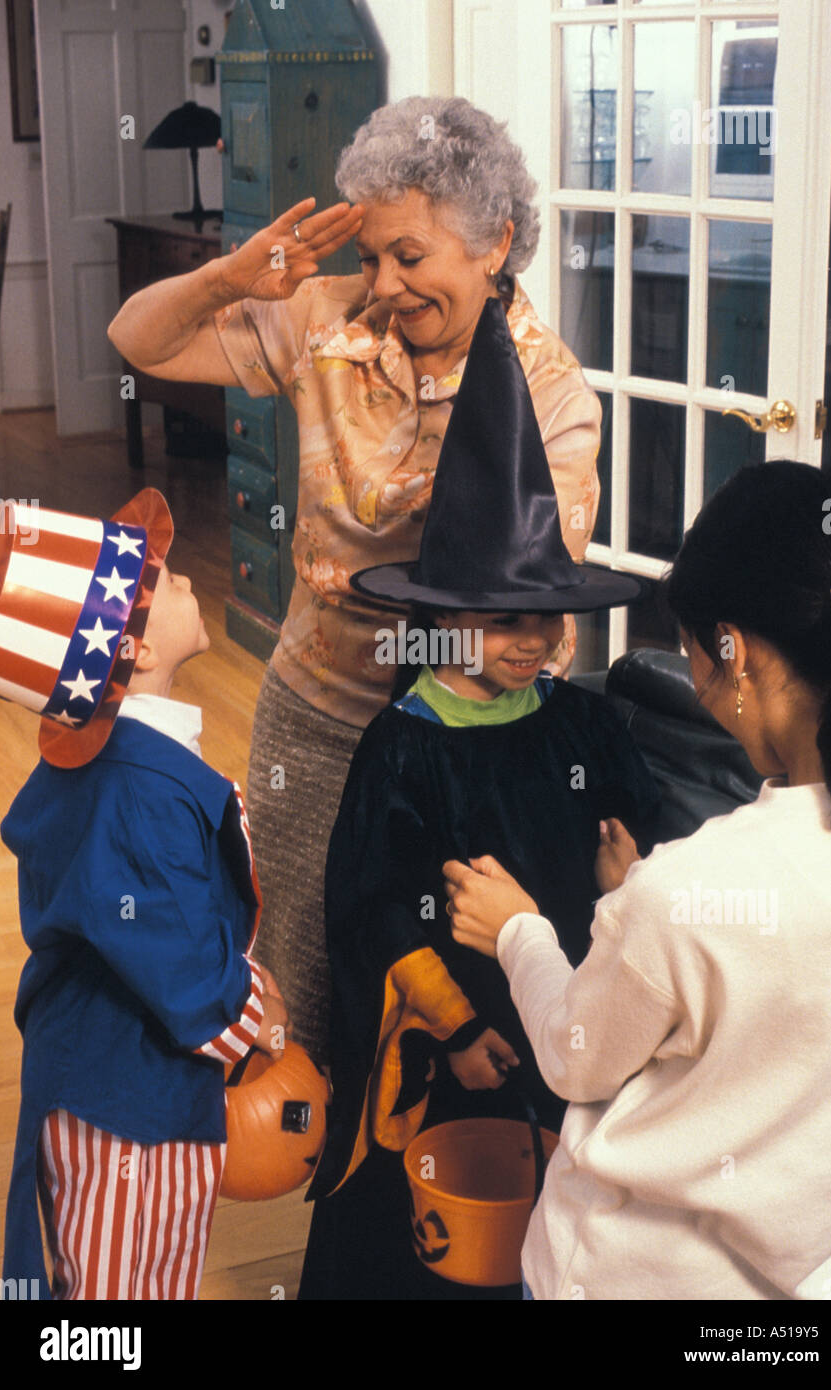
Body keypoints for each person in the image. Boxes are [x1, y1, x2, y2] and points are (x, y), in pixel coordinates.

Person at [106, 96, 602, 1067]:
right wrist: (229, 278)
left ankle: (406, 1188)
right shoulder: (329, 320)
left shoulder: (551, 394)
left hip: (460, 739)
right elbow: (140, 341)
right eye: (371, 255)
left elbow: (534, 627)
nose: (383, 282)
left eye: (408, 257)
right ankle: (315, 1171)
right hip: (317, 713)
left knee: (435, 984)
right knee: (300, 964)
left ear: (495, 242)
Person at [299, 297, 658, 1300]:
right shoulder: (403, 751)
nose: (535, 644)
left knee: (548, 1215)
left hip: (563, 1014)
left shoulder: (586, 728)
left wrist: (627, 878)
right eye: (506, 623)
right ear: (442, 619)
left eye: (548, 623)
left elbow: (636, 847)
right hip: (447, 1046)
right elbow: (368, 907)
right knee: (439, 1232)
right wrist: (455, 1030)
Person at [444, 460, 831, 1301]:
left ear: (731, 653)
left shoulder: (685, 895)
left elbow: (577, 1059)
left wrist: (518, 931)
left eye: (689, 655)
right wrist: (646, 904)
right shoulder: (694, 894)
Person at [0, 490, 288, 1300]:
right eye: (160, 579)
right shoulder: (140, 795)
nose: (184, 576)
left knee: (116, 1276)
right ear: (133, 654)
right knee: (129, 1287)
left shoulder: (126, 769)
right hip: (129, 1107)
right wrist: (258, 1015)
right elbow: (186, 969)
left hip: (99, 1080)